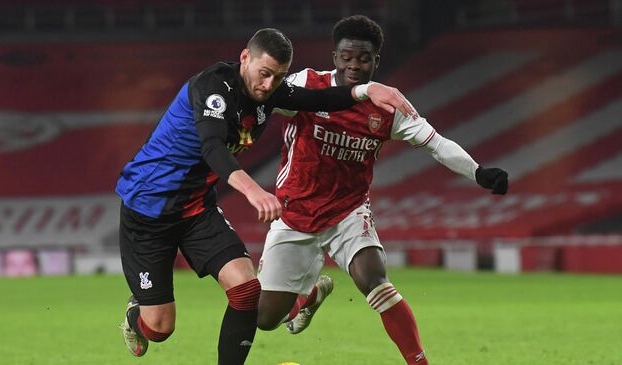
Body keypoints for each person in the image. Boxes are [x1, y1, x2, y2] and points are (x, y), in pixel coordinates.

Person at [115, 27, 413, 365]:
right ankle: (136, 315)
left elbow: (317, 99)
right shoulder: (213, 86)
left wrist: (366, 89)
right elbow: (212, 147)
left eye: (278, 77)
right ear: (245, 58)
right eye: (264, 73)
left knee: (246, 290)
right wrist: (254, 190)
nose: (269, 85)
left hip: (196, 208)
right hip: (148, 209)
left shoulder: (268, 92)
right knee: (159, 328)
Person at [255, 16, 509, 365]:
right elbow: (268, 98)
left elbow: (436, 144)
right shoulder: (307, 84)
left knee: (374, 279)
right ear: (335, 57)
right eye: (347, 57)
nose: (354, 65)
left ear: (377, 60)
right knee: (264, 319)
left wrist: (478, 172)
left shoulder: (387, 106)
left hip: (348, 211)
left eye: (363, 58)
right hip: (294, 213)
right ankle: (309, 296)